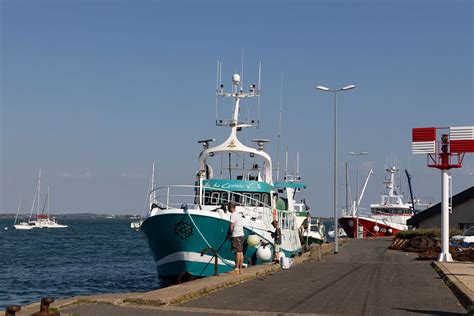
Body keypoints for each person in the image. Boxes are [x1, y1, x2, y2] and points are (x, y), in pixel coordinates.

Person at [227, 202, 244, 274]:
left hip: (236, 235)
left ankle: (236, 269)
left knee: (237, 252)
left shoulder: (233, 215)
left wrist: (228, 234)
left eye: (228, 207)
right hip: (241, 234)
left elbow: (231, 227)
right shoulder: (239, 214)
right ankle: (240, 269)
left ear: (231, 207)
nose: (227, 209)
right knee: (240, 252)